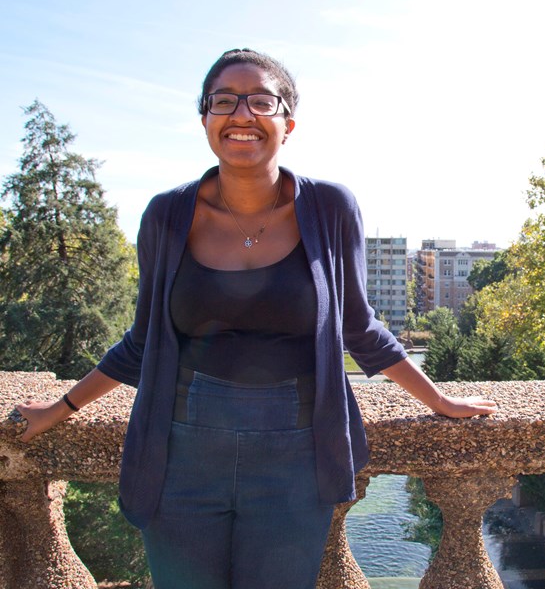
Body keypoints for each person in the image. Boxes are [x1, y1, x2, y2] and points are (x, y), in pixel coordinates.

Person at [17, 48, 497, 589]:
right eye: (224, 101)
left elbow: (358, 327)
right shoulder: (166, 215)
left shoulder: (330, 208)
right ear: (205, 120)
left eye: (261, 101)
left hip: (295, 453)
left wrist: (438, 400)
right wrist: (57, 409)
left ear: (287, 123)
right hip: (181, 452)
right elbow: (143, 340)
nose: (241, 115)